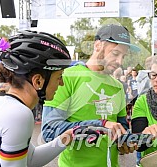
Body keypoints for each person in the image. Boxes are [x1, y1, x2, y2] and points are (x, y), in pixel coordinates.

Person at [41, 24, 141, 167]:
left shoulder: (118, 87)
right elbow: (49, 130)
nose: (119, 62)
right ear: (98, 45)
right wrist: (99, 126)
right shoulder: (67, 77)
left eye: (123, 56)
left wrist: (124, 141)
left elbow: (121, 128)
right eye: (115, 53)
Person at [0, 30, 75, 166]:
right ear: (38, 81)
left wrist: (69, 137)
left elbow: (30, 159)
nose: (62, 83)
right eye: (59, 77)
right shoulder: (19, 114)